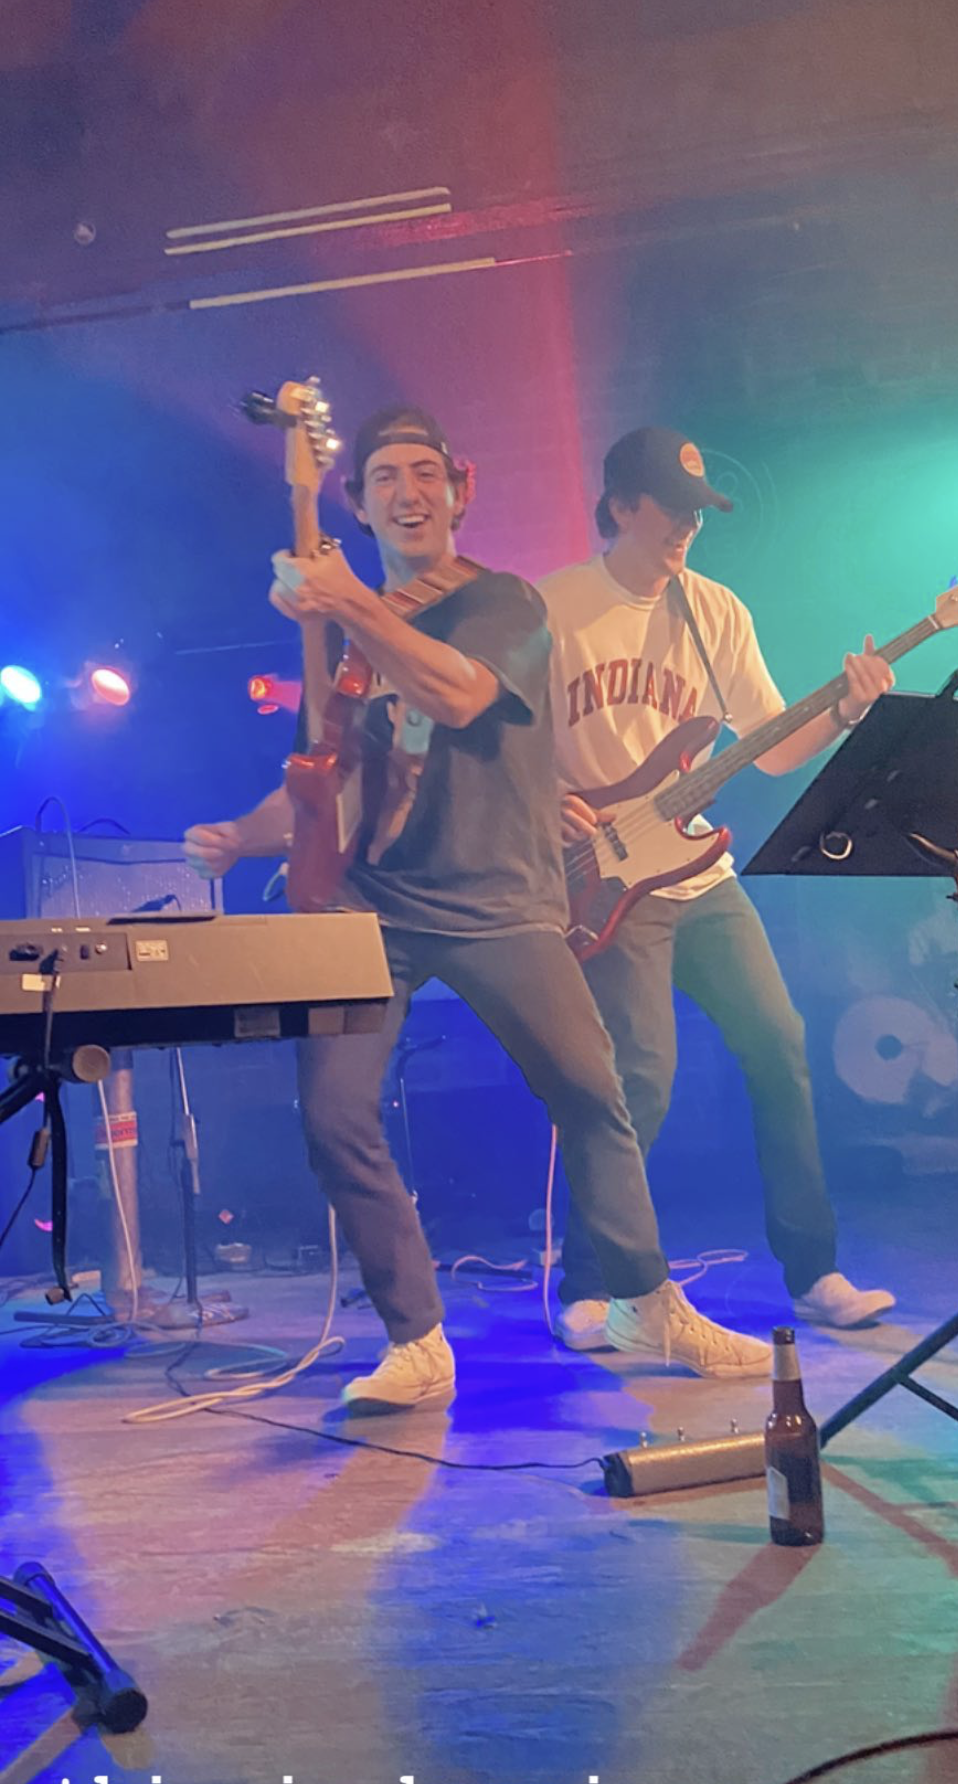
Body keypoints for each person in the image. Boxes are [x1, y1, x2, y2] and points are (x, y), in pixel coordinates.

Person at [184, 406, 771, 1410]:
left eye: (425, 473)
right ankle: (416, 1339)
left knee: (592, 1092)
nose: (407, 492)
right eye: (385, 477)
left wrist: (345, 601)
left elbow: (456, 695)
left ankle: (644, 1299)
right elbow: (324, 784)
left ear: (459, 493)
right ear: (359, 503)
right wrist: (241, 834)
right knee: (333, 1114)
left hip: (498, 897)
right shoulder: (351, 643)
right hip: (373, 907)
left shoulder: (504, 602)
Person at [538, 426, 897, 1352]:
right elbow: (497, 741)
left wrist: (844, 712)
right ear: (621, 506)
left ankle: (813, 1271)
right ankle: (591, 1282)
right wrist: (543, 799)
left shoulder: (715, 611)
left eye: (698, 512)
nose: (687, 527)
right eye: (672, 508)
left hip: (697, 871)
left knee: (780, 1041)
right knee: (642, 1077)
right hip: (605, 877)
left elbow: (769, 745)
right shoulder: (555, 609)